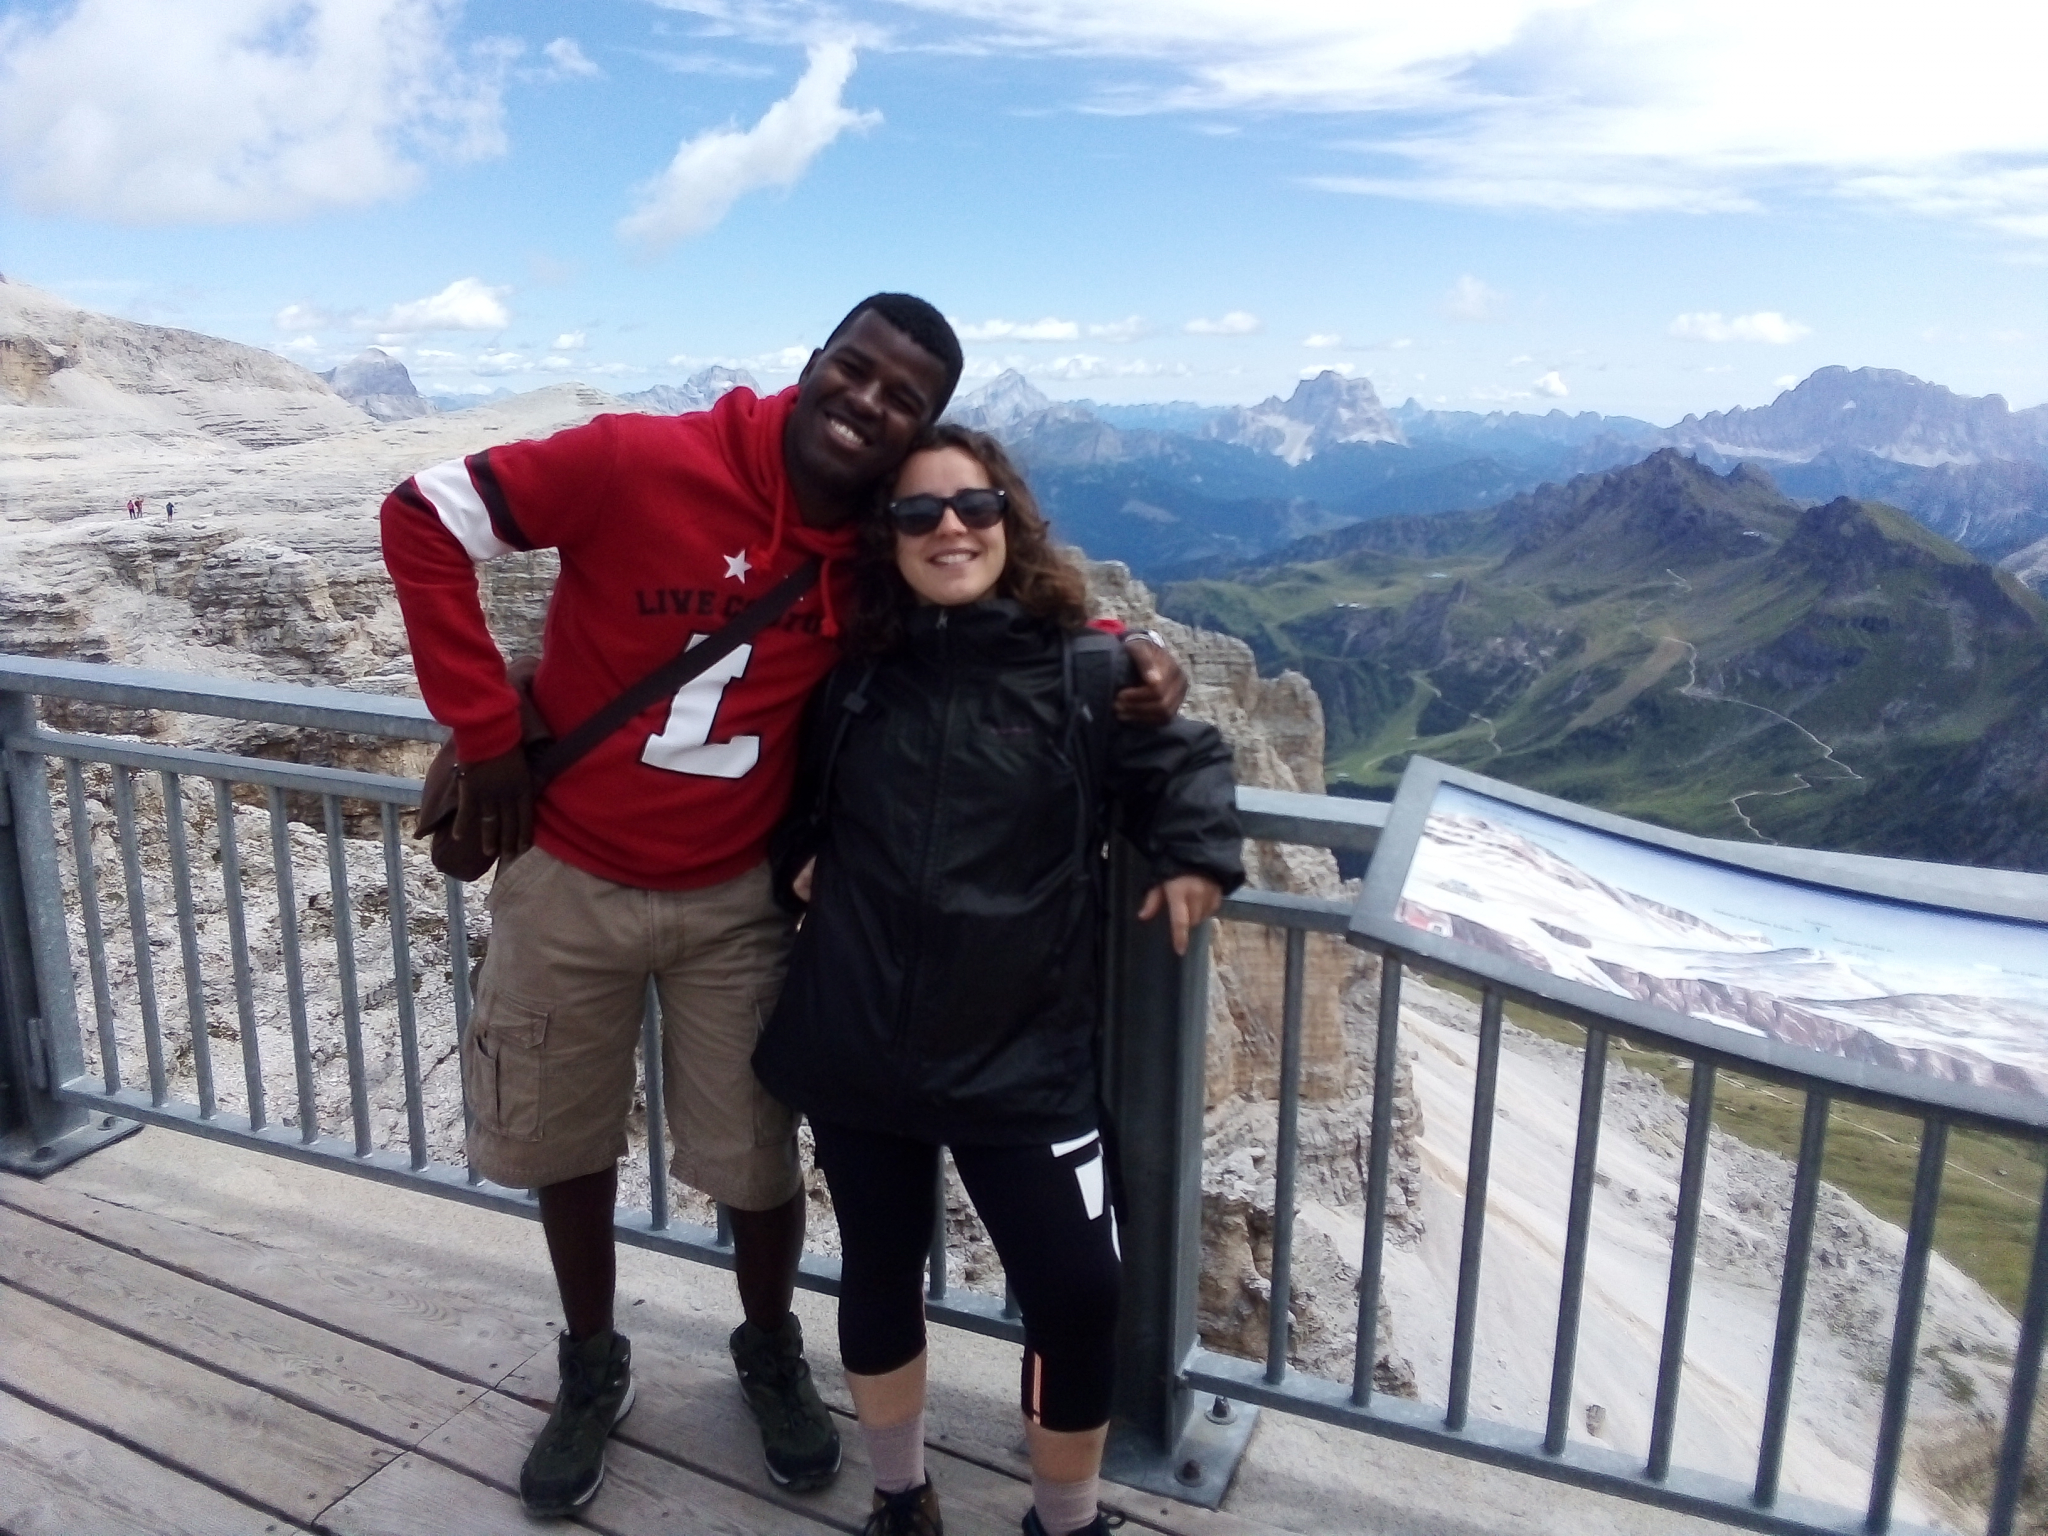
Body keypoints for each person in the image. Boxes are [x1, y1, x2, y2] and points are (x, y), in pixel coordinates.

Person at [377, 295, 1188, 1518]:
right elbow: (421, 514)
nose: (865, 403)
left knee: (754, 1161)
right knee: (564, 1139)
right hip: (568, 869)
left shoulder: (874, 529)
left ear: (921, 421)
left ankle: (769, 1351)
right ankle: (590, 1361)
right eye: (852, 370)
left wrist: (1117, 644)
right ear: (811, 363)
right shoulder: (634, 458)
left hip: (738, 897)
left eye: (901, 398)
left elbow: (984, 595)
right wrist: (485, 730)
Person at [753, 424, 1243, 1536]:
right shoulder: (856, 679)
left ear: (1008, 522)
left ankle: (1063, 1520)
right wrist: (797, 862)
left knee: (1078, 1294)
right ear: (887, 537)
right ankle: (899, 1496)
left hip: (1024, 1051)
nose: (950, 529)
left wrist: (1195, 853)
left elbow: (1186, 759)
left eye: (972, 506)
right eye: (917, 512)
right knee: (878, 1272)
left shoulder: (1086, 671)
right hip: (861, 1039)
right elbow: (795, 809)